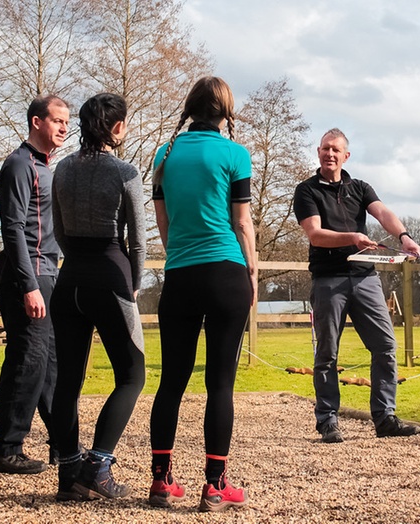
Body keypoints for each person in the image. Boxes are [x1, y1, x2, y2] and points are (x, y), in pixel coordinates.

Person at [148, 76, 257, 512]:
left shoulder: (165, 154)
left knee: (171, 380)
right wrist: (251, 273)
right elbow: (243, 223)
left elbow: (163, 223)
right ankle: (215, 486)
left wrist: (178, 255)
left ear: (190, 109)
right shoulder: (235, 154)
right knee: (220, 383)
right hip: (225, 271)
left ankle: (161, 481)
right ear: (225, 113)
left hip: (180, 273)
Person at [293, 128, 420, 444]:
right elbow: (315, 234)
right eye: (325, 148)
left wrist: (403, 236)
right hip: (329, 279)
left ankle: (385, 418)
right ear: (319, 152)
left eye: (336, 149)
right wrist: (352, 238)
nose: (329, 154)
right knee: (327, 353)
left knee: (385, 346)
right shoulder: (306, 191)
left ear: (345, 155)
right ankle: (327, 421)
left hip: (366, 279)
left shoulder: (360, 187)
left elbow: (383, 213)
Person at [49, 93, 147, 501]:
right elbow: (138, 241)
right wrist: (135, 282)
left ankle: (69, 472)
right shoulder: (126, 172)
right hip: (110, 278)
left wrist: (76, 262)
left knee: (67, 380)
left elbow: (58, 230)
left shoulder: (61, 171)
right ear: (117, 128)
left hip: (69, 280)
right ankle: (98, 466)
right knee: (132, 375)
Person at [0, 95, 69, 474]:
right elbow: (13, 229)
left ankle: (63, 445)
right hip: (27, 276)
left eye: (67, 122)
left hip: (48, 274)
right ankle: (6, 449)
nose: (64, 127)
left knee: (51, 362)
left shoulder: (46, 166)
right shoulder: (20, 165)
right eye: (57, 120)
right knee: (28, 359)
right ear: (37, 122)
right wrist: (29, 285)